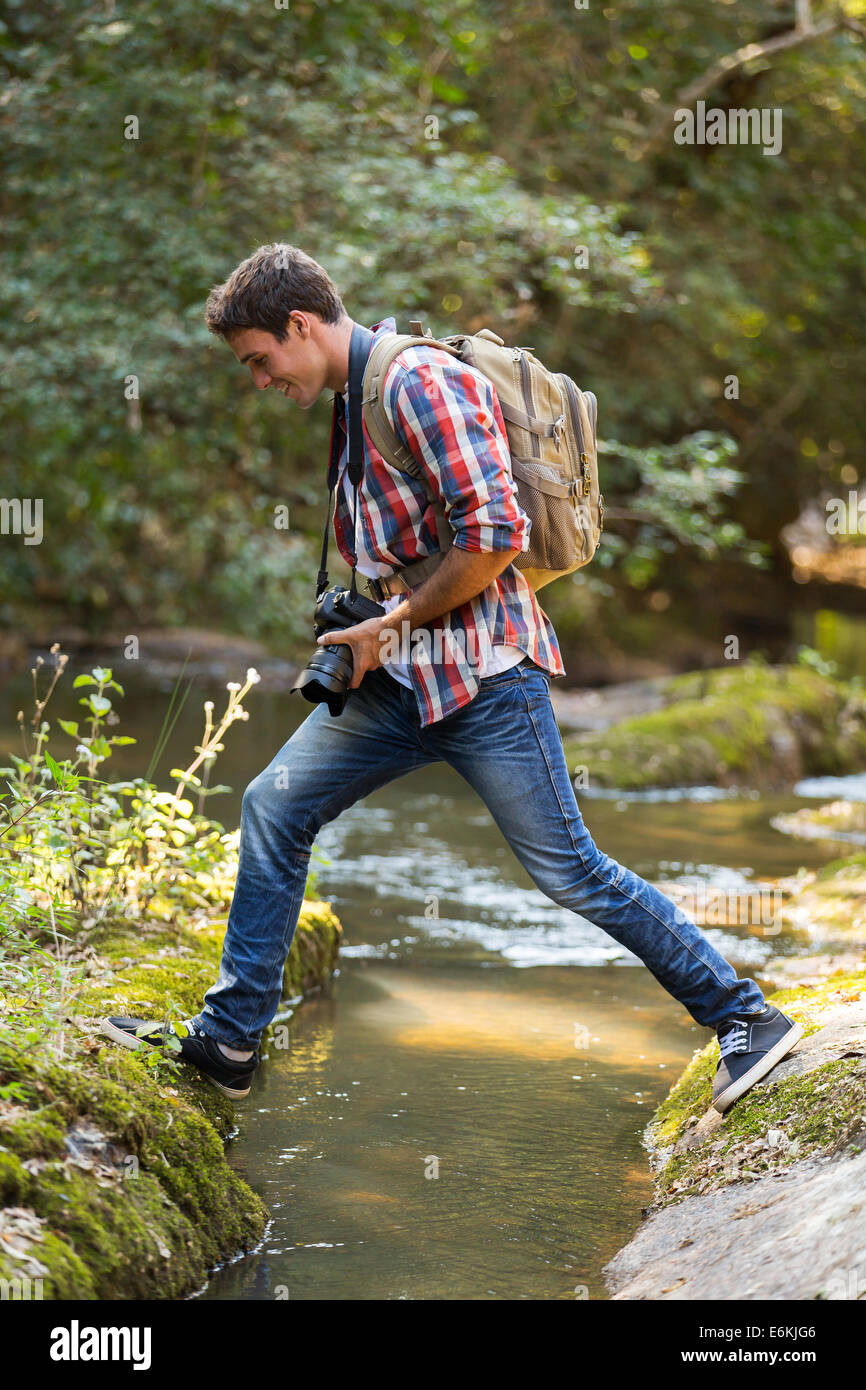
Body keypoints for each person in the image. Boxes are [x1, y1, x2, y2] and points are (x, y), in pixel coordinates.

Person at [101, 243, 802, 1111]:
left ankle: (746, 1020)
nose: (260, 380)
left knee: (570, 871)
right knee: (274, 805)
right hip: (399, 678)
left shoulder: (416, 382)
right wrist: (370, 621)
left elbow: (497, 533)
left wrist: (390, 620)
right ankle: (233, 1038)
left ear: (300, 325)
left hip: (485, 677)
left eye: (260, 360)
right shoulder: (352, 399)